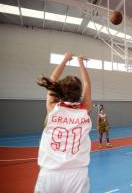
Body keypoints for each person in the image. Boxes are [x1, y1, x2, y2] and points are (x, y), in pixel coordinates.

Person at [35, 52, 92, 193]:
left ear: (59, 90)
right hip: (77, 175)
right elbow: (87, 84)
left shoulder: (53, 108)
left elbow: (52, 78)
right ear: (79, 94)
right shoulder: (84, 110)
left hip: (50, 173)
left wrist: (65, 59)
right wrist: (81, 63)